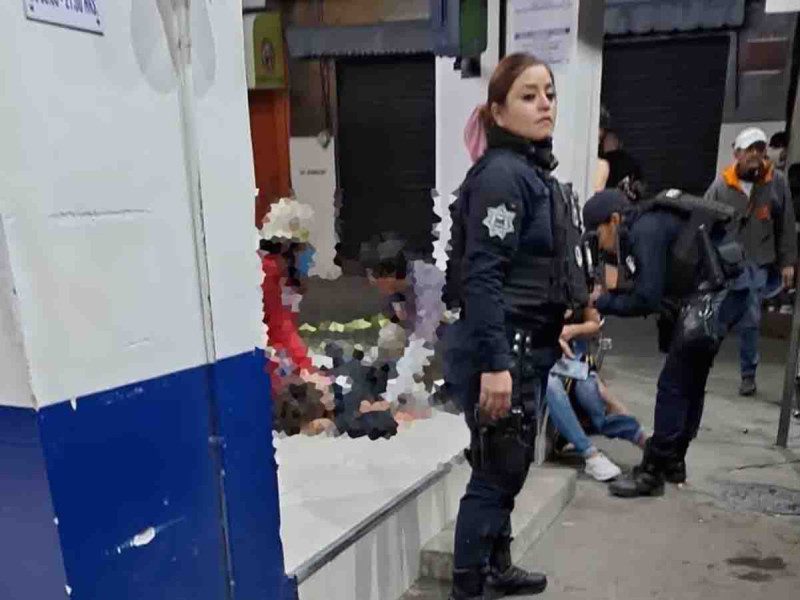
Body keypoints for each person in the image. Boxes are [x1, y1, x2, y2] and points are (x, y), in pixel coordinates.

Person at [444, 52, 588, 598]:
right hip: (504, 347)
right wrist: (497, 366)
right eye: (529, 96)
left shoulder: (529, 172)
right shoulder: (504, 176)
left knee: (507, 462)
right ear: (498, 113)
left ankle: (496, 567)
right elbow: (481, 279)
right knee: (496, 470)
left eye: (548, 92)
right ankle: (468, 585)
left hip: (526, 344)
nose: (544, 103)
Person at [582, 189, 748, 498]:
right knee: (691, 381)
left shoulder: (645, 229)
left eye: (598, 234)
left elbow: (647, 296)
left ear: (614, 220)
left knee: (673, 385)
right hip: (725, 294)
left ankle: (652, 473)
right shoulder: (651, 221)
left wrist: (602, 302)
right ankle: (673, 462)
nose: (599, 244)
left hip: (710, 297)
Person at [704, 127, 797, 396]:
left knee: (751, 318)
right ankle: (703, 362)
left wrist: (788, 261)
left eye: (760, 149)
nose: (756, 155)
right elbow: (704, 224)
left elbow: (786, 225)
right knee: (719, 318)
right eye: (750, 150)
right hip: (727, 264)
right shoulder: (721, 185)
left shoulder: (775, 182)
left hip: (757, 263)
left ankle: (748, 374)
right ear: (737, 154)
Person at [546, 308, 647, 481]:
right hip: (537, 356)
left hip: (570, 359)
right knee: (551, 384)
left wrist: (570, 331)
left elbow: (594, 322)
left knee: (588, 389)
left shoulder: (576, 286)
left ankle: (644, 440)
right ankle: (590, 454)